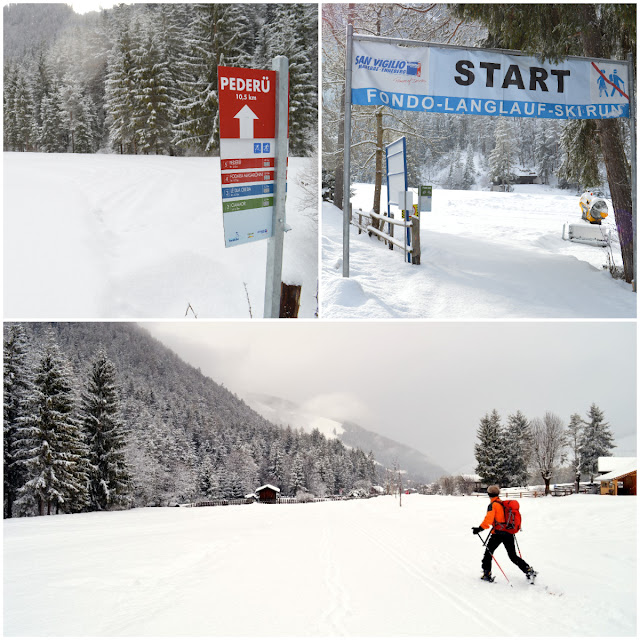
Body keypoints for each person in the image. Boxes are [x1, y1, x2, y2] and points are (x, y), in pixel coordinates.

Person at [471, 485, 536, 582]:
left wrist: (479, 529)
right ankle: (528, 570)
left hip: (498, 534)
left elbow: (488, 520)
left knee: (488, 553)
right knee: (513, 556)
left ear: (489, 494)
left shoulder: (493, 505)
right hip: (508, 532)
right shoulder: (502, 504)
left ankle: (486, 574)